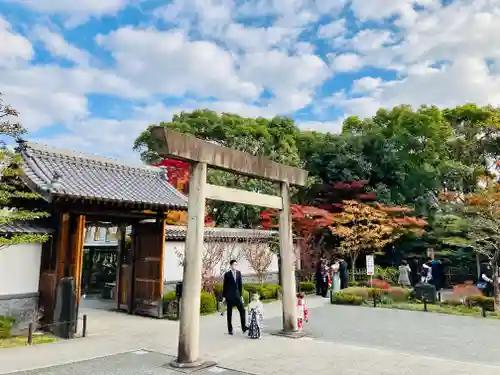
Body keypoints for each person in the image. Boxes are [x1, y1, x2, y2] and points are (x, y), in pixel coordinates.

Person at [222, 259, 247, 335]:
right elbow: (225, 286)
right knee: (229, 314)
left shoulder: (239, 273)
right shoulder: (227, 274)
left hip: (237, 296)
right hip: (229, 297)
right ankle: (230, 329)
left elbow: (240, 285)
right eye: (234, 264)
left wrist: (241, 296)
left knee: (242, 311)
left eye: (236, 264)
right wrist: (224, 296)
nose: (235, 266)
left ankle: (244, 327)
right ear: (231, 265)